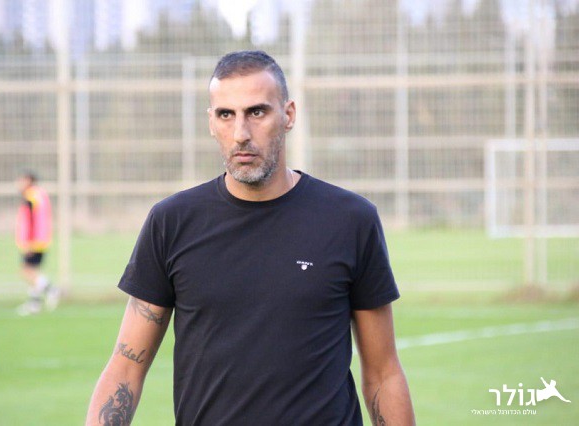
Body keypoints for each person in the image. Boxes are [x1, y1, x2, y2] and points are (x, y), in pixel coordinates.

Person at [86, 50, 415, 425]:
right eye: (226, 115)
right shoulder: (172, 222)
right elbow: (126, 368)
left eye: (257, 112)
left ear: (288, 115)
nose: (241, 133)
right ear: (211, 123)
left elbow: (383, 372)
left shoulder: (350, 220)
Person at [15, 171, 60, 316]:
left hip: (33, 241)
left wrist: (28, 242)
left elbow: (30, 221)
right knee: (34, 273)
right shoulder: (40, 194)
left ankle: (51, 289)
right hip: (42, 239)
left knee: (27, 272)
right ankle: (34, 304)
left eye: (21, 180)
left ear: (29, 180)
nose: (19, 184)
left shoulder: (30, 197)